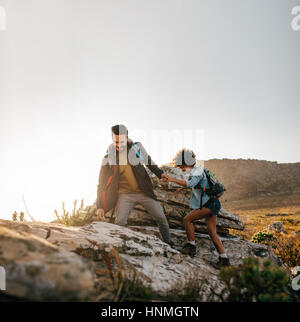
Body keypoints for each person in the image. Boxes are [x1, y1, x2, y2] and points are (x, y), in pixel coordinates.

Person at [96, 124, 173, 246]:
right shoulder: (108, 157)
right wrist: (99, 205)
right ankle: (118, 247)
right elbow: (101, 182)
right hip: (124, 195)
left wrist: (160, 173)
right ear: (112, 138)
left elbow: (148, 161)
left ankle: (168, 244)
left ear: (126, 138)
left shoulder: (137, 147)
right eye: (116, 142)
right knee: (119, 222)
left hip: (144, 192)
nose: (119, 145)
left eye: (121, 142)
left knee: (161, 218)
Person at [164, 148, 230, 267]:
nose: (181, 169)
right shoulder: (199, 170)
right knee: (212, 232)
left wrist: (171, 179)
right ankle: (224, 259)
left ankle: (191, 246)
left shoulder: (197, 172)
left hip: (208, 204)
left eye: (181, 166)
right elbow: (199, 185)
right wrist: (182, 188)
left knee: (187, 220)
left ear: (186, 163)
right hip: (213, 203)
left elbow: (190, 184)